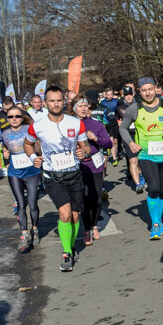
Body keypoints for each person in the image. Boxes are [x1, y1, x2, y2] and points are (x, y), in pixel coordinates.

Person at [24, 85, 91, 271]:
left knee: (75, 216)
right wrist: (33, 158)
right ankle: (67, 252)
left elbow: (85, 146)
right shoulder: (37, 126)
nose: (56, 104)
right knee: (65, 213)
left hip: (74, 175)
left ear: (64, 101)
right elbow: (27, 144)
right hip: (52, 176)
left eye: (59, 100)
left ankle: (71, 247)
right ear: (45, 103)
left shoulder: (76, 123)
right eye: (52, 101)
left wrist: (83, 153)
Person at [119, 78, 163, 240]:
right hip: (146, 155)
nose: (148, 93)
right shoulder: (134, 109)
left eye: (150, 89)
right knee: (154, 188)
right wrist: (130, 143)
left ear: (156, 89)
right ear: (138, 91)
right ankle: (156, 223)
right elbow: (123, 128)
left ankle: (159, 220)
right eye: (144, 90)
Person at [0, 106, 41, 251]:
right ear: (7, 119)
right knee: (20, 204)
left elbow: (40, 148)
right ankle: (24, 235)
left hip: (32, 171)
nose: (14, 119)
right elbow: (5, 150)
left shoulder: (30, 128)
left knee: (33, 203)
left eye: (17, 116)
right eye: (11, 117)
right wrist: (5, 155)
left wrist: (37, 149)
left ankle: (34, 230)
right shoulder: (4, 133)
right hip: (14, 172)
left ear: (22, 117)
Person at [73, 96, 112, 245]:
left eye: (86, 106)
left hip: (95, 164)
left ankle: (94, 225)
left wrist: (96, 138)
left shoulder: (96, 124)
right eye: (80, 106)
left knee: (96, 197)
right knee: (85, 197)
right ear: (74, 108)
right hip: (78, 166)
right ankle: (87, 229)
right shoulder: (70, 124)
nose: (83, 108)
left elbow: (108, 143)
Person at [115, 85, 142, 190]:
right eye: (126, 95)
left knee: (140, 159)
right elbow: (116, 121)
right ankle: (137, 184)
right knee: (133, 160)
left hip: (139, 134)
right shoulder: (120, 107)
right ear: (123, 96)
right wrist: (119, 123)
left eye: (130, 94)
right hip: (127, 136)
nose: (129, 97)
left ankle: (141, 175)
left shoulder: (140, 105)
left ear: (133, 94)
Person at [99, 87, 121, 166]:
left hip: (116, 122)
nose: (110, 96)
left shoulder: (116, 101)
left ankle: (117, 152)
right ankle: (114, 158)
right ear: (105, 95)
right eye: (108, 95)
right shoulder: (102, 103)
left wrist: (119, 119)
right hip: (107, 124)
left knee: (115, 141)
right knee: (111, 141)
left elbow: (120, 110)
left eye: (111, 94)